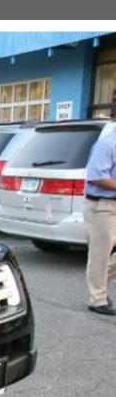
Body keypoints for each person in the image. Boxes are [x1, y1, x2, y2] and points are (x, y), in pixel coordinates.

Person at [83, 125, 116, 315]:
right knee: (100, 256)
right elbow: (97, 177)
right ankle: (97, 299)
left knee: (102, 261)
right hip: (101, 206)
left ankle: (99, 284)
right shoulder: (107, 144)